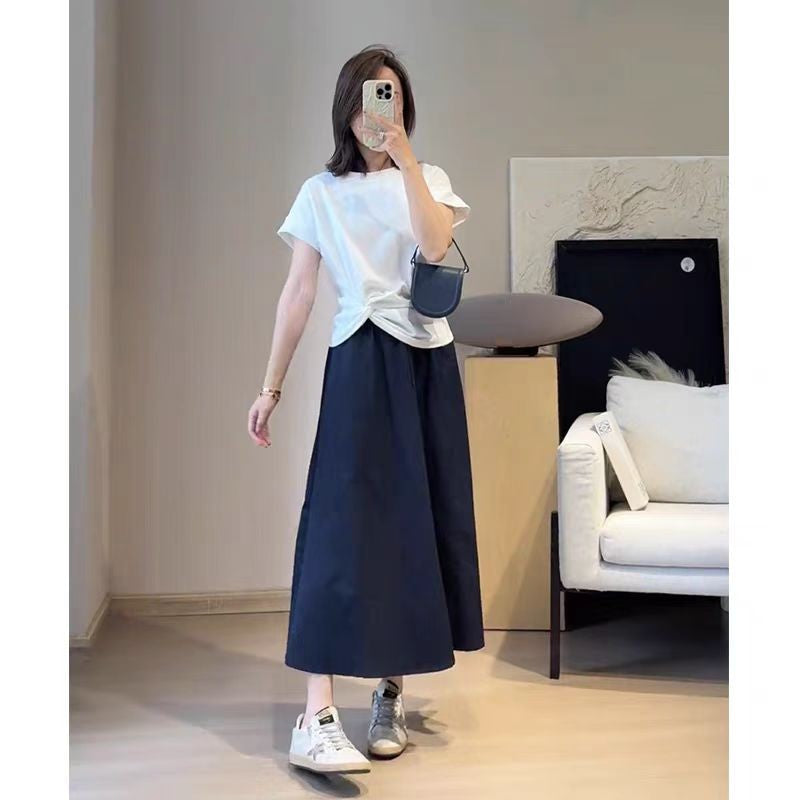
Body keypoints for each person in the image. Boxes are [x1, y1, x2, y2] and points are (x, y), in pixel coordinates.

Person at [247, 44, 485, 775]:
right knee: (339, 524)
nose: (380, 111)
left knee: (413, 523)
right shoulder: (320, 192)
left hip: (425, 363)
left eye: (393, 97)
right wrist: (270, 386)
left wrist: (405, 156)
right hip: (358, 357)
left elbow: (435, 244)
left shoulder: (428, 178)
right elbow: (298, 293)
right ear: (346, 108)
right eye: (369, 98)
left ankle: (390, 693)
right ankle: (315, 712)